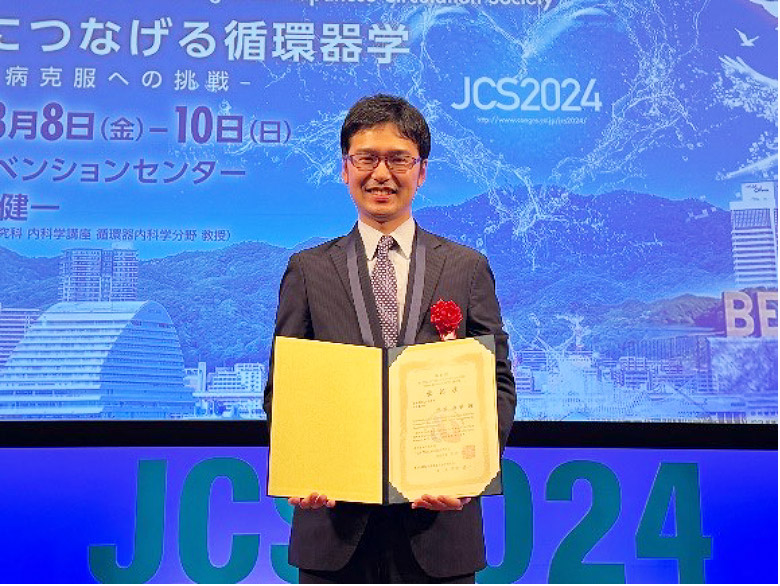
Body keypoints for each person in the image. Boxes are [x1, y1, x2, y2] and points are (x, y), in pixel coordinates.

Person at [264, 94, 516, 583]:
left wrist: (470, 476)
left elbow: (497, 384)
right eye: (366, 158)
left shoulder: (466, 268)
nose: (381, 174)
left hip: (440, 529)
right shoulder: (308, 270)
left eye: (398, 159)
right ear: (345, 169)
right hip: (334, 530)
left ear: (421, 172)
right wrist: (302, 466)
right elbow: (284, 388)